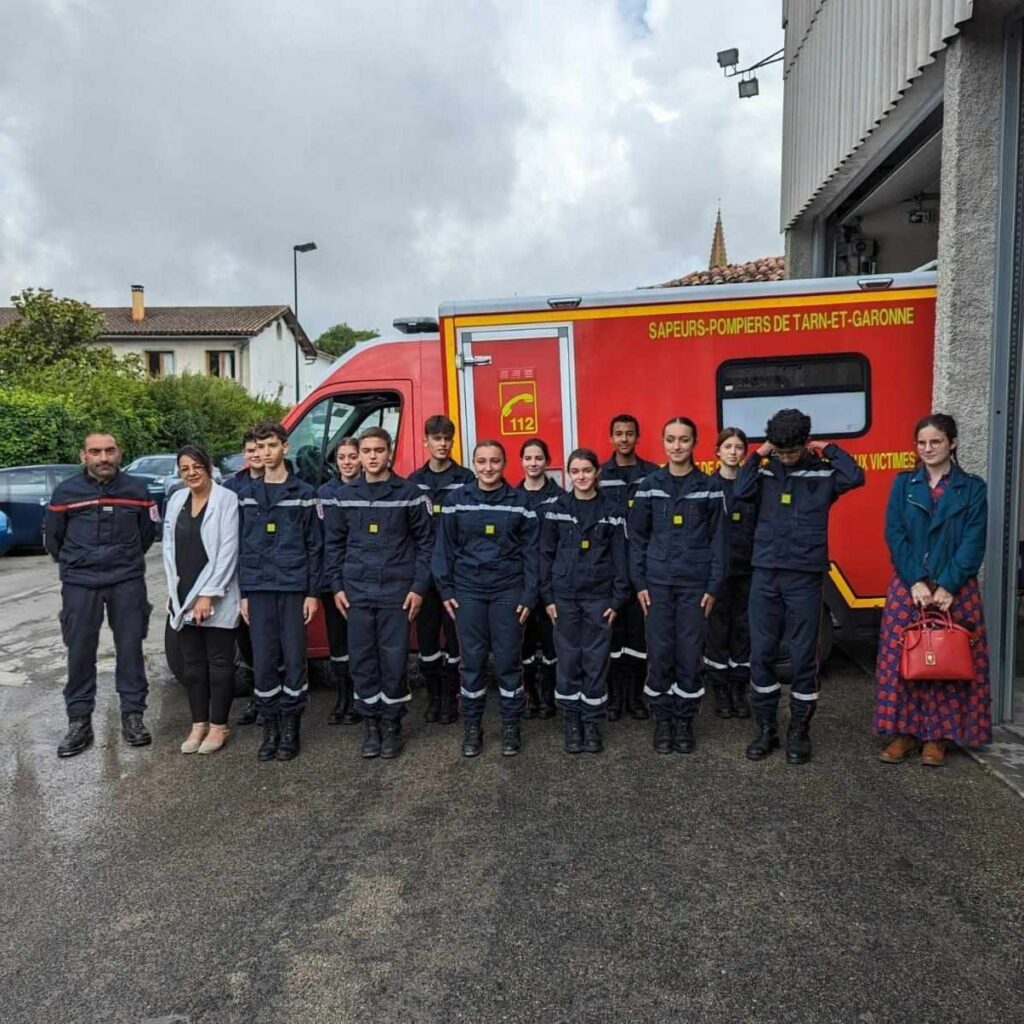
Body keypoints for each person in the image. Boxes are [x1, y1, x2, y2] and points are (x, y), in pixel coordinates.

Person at [734, 408, 864, 764]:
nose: (787, 457)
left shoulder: (823, 474)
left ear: (805, 443)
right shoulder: (764, 472)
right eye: (781, 450)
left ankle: (799, 730)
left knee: (805, 654)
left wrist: (830, 449)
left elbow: (856, 477)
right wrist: (759, 454)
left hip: (804, 576)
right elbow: (738, 492)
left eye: (792, 451)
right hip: (765, 574)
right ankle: (766, 728)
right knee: (760, 652)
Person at [874, 413, 991, 766]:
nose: (927, 448)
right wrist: (916, 581)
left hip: (954, 590)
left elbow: (974, 540)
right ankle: (904, 734)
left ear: (952, 443)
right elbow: (895, 534)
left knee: (948, 662)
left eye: (936, 441)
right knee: (904, 661)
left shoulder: (973, 488)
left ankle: (938, 739)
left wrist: (949, 584)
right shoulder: (903, 484)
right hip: (910, 587)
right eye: (922, 442)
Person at [44, 432, 158, 757]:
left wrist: (124, 560)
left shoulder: (137, 490)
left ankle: (133, 716)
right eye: (96, 452)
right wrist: (77, 564)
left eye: (109, 451)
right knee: (80, 651)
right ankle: (79, 722)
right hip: (80, 584)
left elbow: (147, 535)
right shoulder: (66, 492)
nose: (103, 457)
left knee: (130, 649)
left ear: (119, 452)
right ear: (84, 456)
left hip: (127, 581)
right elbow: (54, 539)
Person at [324, 427, 433, 759]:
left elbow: (427, 545)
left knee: (394, 660)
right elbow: (334, 545)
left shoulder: (410, 494)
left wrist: (418, 588)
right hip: (357, 592)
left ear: (390, 453)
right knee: (362, 661)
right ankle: (371, 725)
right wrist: (337, 586)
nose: (372, 457)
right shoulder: (344, 496)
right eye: (366, 451)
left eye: (378, 450)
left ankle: (392, 726)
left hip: (396, 593)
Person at [433, 439, 539, 757]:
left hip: (508, 591)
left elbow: (532, 554)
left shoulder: (521, 502)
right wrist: (446, 590)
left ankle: (510, 727)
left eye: (494, 461)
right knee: (473, 663)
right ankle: (473, 728)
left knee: (508, 661)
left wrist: (529, 594)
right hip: (469, 591)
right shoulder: (456, 501)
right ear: (474, 464)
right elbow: (443, 550)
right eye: (481, 462)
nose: (488, 468)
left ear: (504, 464)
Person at [629, 418, 726, 754]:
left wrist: (713, 586)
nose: (677, 446)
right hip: (657, 584)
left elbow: (718, 541)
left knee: (689, 655)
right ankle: (663, 720)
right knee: (659, 654)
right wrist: (639, 581)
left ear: (694, 443)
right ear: (663, 442)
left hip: (694, 586)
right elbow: (637, 537)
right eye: (670, 439)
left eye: (683, 440)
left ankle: (684, 721)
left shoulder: (709, 486)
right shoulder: (649, 485)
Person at [237, 421, 322, 762]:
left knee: (294, 658)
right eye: (260, 447)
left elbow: (315, 546)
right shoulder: (246, 495)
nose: (266, 453)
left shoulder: (303, 493)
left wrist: (312, 593)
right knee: (264, 660)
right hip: (258, 589)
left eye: (272, 445)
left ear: (285, 447)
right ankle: (269, 726)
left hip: (292, 587)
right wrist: (243, 592)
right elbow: (240, 546)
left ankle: (290, 727)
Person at [540, 448, 629, 754]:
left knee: (594, 661)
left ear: (597, 473)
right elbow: (545, 555)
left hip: (599, 598)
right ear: (568, 474)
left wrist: (617, 600)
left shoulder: (613, 510)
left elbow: (621, 558)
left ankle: (591, 722)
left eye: (586, 471)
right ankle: (572, 722)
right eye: (575, 471)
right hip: (564, 598)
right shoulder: (556, 508)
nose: (581, 476)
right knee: (568, 659)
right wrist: (548, 597)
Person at [162, 444, 241, 755]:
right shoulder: (176, 500)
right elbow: (169, 548)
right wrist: (173, 591)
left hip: (214, 595)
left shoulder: (226, 500)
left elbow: (227, 552)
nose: (191, 473)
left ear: (208, 468)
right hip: (182, 594)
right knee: (192, 665)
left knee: (219, 663)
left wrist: (208, 594)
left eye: (196, 466)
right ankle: (198, 724)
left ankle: (219, 726)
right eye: (185, 469)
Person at [408, 415, 475, 724]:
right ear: (426, 441)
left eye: (447, 438)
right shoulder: (413, 482)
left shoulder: (466, 478)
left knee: (454, 638)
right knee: (426, 639)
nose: (443, 444)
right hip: (424, 575)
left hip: (455, 573)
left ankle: (450, 697)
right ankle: (434, 697)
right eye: (436, 438)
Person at [600, 414, 658, 722]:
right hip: (607, 570)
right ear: (611, 438)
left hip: (642, 566)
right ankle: (613, 698)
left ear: (637, 437)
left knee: (637, 638)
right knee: (611, 636)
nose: (624, 438)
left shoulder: (651, 475)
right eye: (618, 433)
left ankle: (635, 697)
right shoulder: (599, 475)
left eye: (629, 433)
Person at [704, 428, 756, 719]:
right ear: (717, 451)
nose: (733, 452)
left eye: (738, 447)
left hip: (747, 570)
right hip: (717, 573)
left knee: (743, 631)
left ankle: (739, 690)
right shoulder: (709, 486)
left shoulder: (752, 487)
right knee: (717, 632)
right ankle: (720, 690)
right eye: (727, 446)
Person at [516, 437, 563, 718]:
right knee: (523, 640)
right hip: (520, 581)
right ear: (521, 461)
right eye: (528, 458)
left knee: (550, 640)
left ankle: (548, 694)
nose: (533, 463)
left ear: (547, 461)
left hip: (550, 581)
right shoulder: (512, 497)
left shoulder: (560, 498)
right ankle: (529, 694)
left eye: (538, 458)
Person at [317, 437, 362, 726]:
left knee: (359, 642)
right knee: (337, 643)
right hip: (332, 579)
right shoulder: (323, 493)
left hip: (358, 578)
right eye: (341, 457)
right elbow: (323, 540)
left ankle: (358, 697)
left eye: (351, 456)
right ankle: (342, 697)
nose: (346, 462)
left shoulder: (367, 490)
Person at [222, 428, 263, 726]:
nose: (256, 454)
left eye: (260, 449)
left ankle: (270, 697)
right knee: (245, 638)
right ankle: (256, 698)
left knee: (268, 641)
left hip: (268, 572)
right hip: (240, 570)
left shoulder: (282, 480)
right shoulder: (231, 487)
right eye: (250, 450)